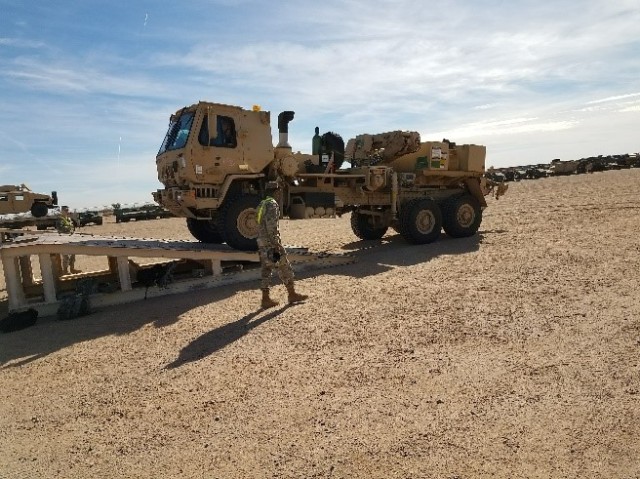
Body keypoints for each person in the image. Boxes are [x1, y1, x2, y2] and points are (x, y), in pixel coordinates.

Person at [256, 179, 308, 308]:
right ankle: (292, 294)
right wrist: (276, 245)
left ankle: (265, 299)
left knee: (266, 270)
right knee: (285, 267)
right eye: (278, 191)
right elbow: (271, 227)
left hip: (261, 243)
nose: (279, 194)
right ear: (276, 192)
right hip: (270, 245)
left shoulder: (261, 204)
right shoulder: (272, 204)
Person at [56, 206, 81, 274]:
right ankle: (65, 271)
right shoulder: (60, 219)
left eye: (67, 210)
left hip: (71, 239)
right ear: (62, 211)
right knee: (66, 256)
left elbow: (72, 227)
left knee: (73, 255)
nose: (67, 211)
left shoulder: (69, 219)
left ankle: (72, 269)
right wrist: (69, 227)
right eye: (65, 210)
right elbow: (60, 229)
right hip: (63, 239)